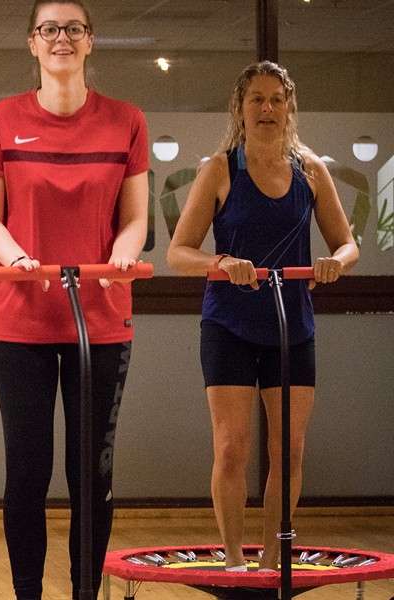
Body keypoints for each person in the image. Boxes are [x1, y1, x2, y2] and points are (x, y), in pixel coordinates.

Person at [0, 1, 149, 597]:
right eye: (49, 29)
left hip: (100, 322)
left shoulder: (126, 120)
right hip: (19, 322)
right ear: (32, 43)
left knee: (90, 475)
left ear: (90, 40)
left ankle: (84, 594)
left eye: (73, 29)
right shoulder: (2, 119)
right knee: (27, 472)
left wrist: (123, 254)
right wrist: (17, 259)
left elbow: (135, 219)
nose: (61, 39)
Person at [166, 61, 357, 572]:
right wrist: (221, 263)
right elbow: (179, 252)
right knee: (232, 448)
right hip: (229, 326)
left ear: (289, 107)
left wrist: (335, 263)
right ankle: (234, 562)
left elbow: (347, 244)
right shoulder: (220, 170)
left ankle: (274, 562)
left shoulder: (310, 170)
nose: (267, 108)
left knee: (288, 451)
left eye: (276, 99)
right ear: (240, 108)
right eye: (257, 99)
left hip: (291, 326)